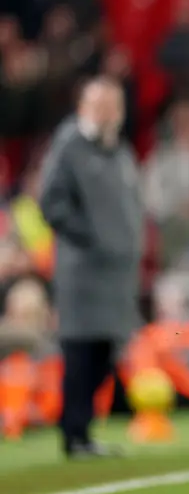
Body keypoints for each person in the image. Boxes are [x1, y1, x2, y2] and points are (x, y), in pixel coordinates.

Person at [39, 77, 145, 458]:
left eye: (113, 105)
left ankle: (82, 433)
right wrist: (92, 239)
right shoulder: (70, 145)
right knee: (81, 355)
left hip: (116, 279)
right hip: (83, 275)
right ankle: (74, 435)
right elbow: (50, 202)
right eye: (99, 104)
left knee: (103, 356)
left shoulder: (117, 150)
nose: (108, 112)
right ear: (83, 106)